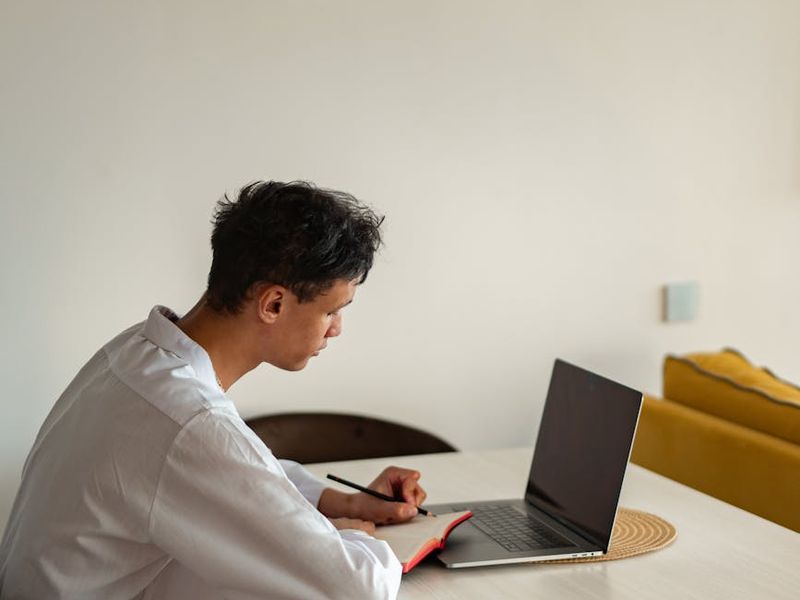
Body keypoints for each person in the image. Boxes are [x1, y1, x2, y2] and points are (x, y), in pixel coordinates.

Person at [0, 181, 424, 599]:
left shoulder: (135, 354)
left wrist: (339, 504)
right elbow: (356, 588)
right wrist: (354, 538)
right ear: (273, 304)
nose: (337, 329)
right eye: (331, 310)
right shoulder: (187, 419)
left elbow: (233, 473)